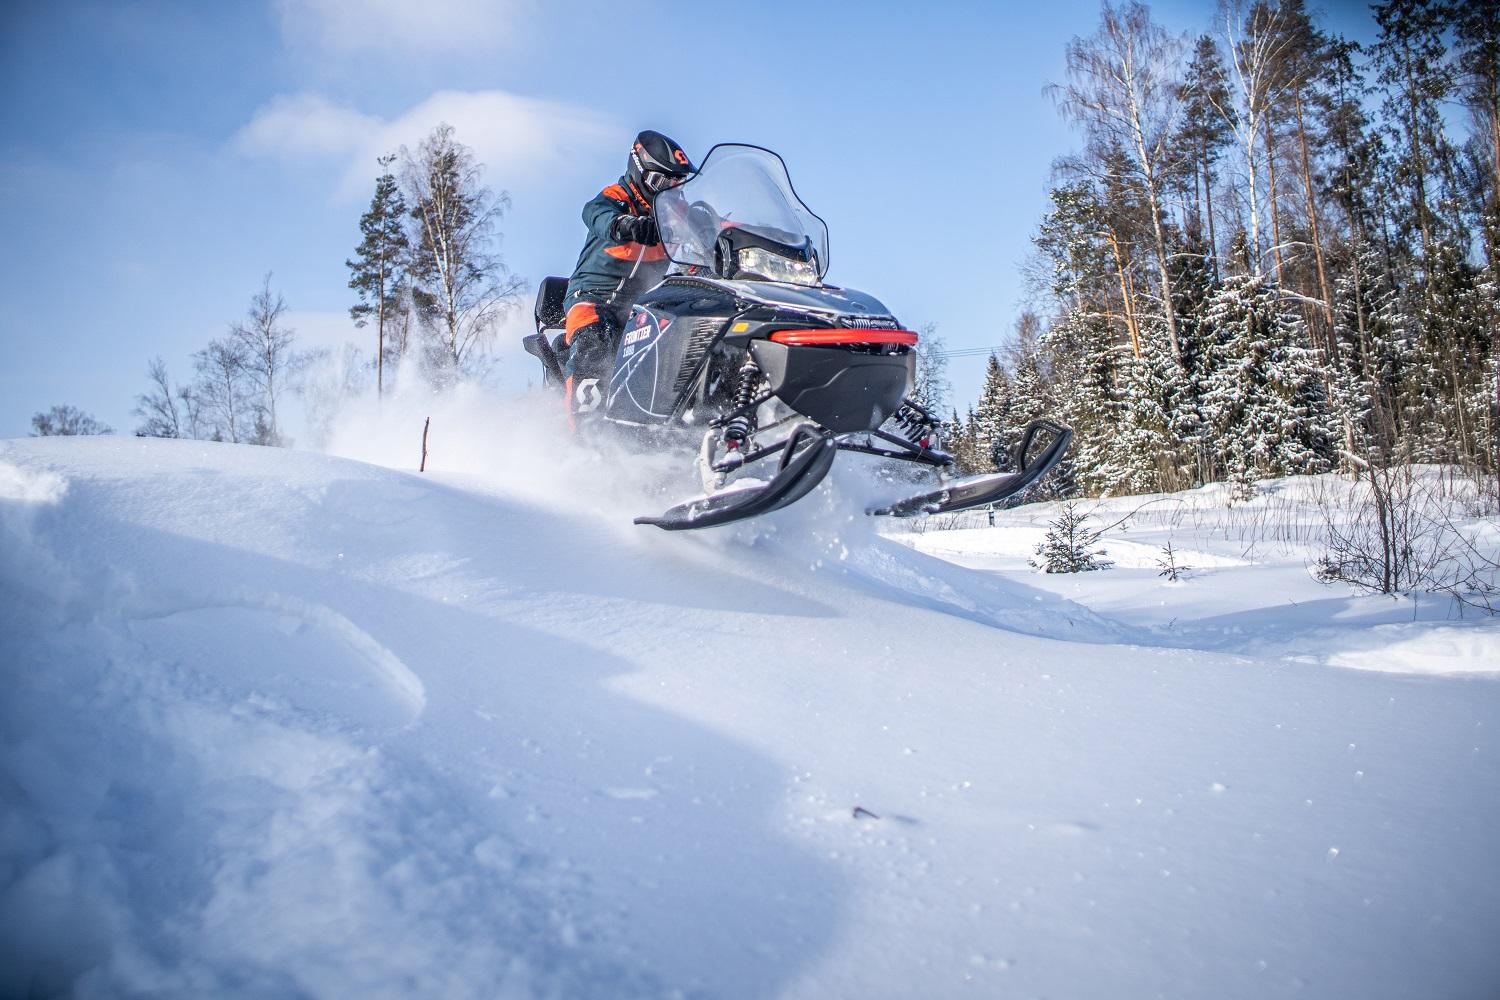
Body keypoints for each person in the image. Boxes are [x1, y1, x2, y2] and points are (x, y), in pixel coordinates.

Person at [559, 130, 695, 410]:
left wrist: (750, 238)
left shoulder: (679, 213)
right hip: (594, 299)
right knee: (595, 344)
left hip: (646, 307)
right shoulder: (617, 196)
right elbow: (595, 212)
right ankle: (584, 434)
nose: (667, 191)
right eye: (659, 181)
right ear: (638, 171)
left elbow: (711, 228)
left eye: (675, 183)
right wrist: (626, 224)